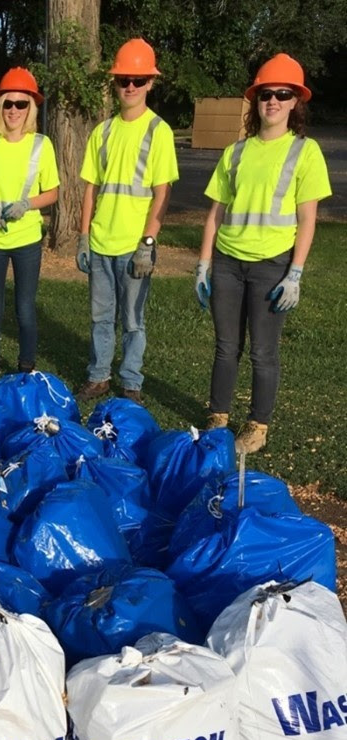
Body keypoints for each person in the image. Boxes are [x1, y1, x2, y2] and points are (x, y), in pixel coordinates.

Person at [196, 54, 331, 454]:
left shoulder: (305, 152)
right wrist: (203, 264)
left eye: (282, 94)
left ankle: (257, 426)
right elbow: (215, 213)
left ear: (295, 103)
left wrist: (296, 273)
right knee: (225, 346)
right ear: (255, 102)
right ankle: (218, 418)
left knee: (262, 351)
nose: (272, 101)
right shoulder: (237, 152)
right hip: (227, 263)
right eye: (265, 94)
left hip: (272, 266)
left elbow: (308, 219)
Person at [75, 39, 178, 405]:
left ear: (150, 82)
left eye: (137, 79)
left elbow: (162, 192)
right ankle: (99, 376)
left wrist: (148, 242)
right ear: (114, 83)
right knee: (101, 318)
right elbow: (91, 189)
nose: (130, 87)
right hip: (101, 243)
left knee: (133, 321)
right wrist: (84, 236)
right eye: (123, 80)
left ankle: (130, 382)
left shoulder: (158, 131)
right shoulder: (102, 132)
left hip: (135, 246)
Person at [0, 67, 59, 389]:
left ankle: (26, 368)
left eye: (21, 105)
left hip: (27, 239)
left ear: (31, 109)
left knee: (25, 308)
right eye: (8, 103)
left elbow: (53, 192)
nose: (14, 111)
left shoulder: (41, 145)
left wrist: (28, 205)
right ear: (0, 107)